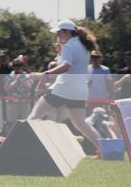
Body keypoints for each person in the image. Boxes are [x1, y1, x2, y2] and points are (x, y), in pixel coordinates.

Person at [36, 20, 103, 151]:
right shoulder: (83, 46)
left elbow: (66, 66)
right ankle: (104, 149)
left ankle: (20, 145)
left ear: (67, 32)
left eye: (59, 32)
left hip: (64, 88)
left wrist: (47, 73)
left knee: (34, 115)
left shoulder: (69, 46)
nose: (57, 35)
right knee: (80, 124)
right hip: (79, 91)